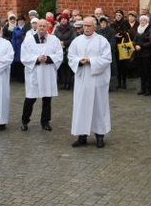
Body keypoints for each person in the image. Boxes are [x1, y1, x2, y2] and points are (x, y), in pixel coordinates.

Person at [68, 16, 112, 148]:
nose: (86, 28)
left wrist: (91, 61)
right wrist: (79, 61)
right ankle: (82, 136)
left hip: (97, 80)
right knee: (81, 107)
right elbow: (70, 56)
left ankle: (99, 136)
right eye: (85, 26)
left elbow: (106, 59)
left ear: (95, 27)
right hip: (82, 80)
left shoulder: (102, 41)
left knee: (98, 107)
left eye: (89, 26)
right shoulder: (77, 41)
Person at [21, 18, 63, 131]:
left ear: (48, 27)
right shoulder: (29, 40)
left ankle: (45, 122)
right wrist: (37, 58)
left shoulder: (54, 40)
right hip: (34, 73)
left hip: (47, 73)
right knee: (30, 99)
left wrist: (48, 58)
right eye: (40, 26)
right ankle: (24, 121)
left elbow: (59, 55)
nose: (42, 28)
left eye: (44, 26)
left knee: (47, 99)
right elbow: (24, 57)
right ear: (36, 27)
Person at [53, 14, 77, 90]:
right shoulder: (57, 29)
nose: (63, 20)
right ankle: (63, 82)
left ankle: (68, 83)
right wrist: (59, 43)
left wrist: (65, 43)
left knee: (68, 67)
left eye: (65, 19)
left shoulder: (72, 29)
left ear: (67, 20)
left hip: (69, 49)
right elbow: (54, 38)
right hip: (59, 50)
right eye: (62, 19)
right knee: (61, 67)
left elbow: (73, 39)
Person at [133, 15, 151, 96]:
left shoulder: (149, 30)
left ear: (147, 22)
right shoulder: (138, 30)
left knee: (147, 72)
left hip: (146, 54)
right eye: (141, 20)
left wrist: (141, 46)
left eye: (144, 20)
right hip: (139, 54)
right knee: (141, 72)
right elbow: (134, 40)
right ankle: (143, 89)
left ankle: (149, 90)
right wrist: (135, 45)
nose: (142, 22)